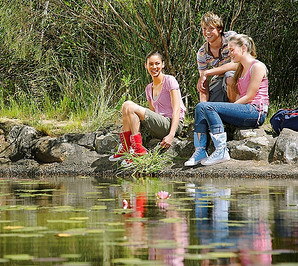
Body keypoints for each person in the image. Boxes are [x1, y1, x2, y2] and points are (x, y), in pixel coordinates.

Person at [185, 34, 269, 166]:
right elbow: (224, 70)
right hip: (245, 109)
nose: (229, 54)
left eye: (231, 50)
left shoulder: (257, 67)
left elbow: (250, 96)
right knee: (201, 106)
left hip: (255, 112)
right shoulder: (241, 67)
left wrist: (231, 108)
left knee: (209, 107)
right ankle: (200, 150)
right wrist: (205, 74)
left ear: (243, 48)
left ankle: (221, 150)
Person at [109, 51, 186, 166]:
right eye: (151, 64)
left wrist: (171, 135)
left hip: (172, 124)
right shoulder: (148, 88)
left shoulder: (170, 80)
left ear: (163, 64)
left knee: (128, 104)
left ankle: (138, 151)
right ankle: (128, 147)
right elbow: (152, 114)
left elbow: (177, 110)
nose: (154, 67)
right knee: (127, 108)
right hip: (159, 123)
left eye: (157, 63)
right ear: (146, 65)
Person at [197, 12, 238, 103]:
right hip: (219, 79)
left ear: (219, 29)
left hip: (238, 75)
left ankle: (235, 110)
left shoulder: (231, 38)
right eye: (204, 29)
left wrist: (207, 73)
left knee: (229, 77)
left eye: (211, 28)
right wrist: (203, 105)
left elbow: (236, 64)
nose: (207, 32)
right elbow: (204, 83)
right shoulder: (202, 52)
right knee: (210, 104)